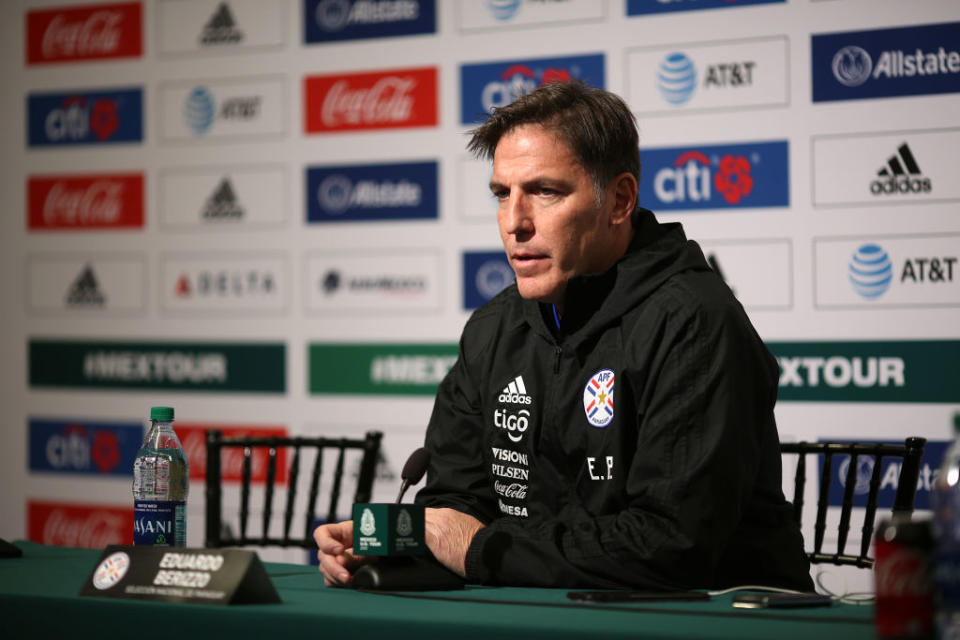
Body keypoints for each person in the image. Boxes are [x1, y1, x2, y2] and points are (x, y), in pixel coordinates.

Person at [315, 81, 813, 591]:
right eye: (502, 194)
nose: (514, 223)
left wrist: (480, 548)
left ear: (619, 200)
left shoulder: (694, 324)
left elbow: (669, 546)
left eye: (544, 191)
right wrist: (397, 542)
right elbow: (457, 505)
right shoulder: (493, 329)